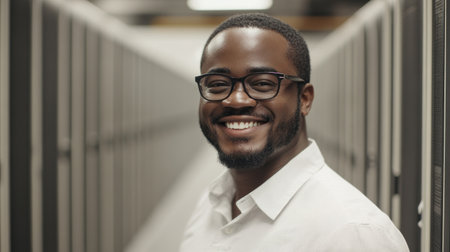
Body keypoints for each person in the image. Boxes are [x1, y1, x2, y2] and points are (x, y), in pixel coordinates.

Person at [180, 13, 409, 251]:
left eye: (262, 83)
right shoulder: (210, 206)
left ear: (305, 99)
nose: (236, 100)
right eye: (217, 84)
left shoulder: (352, 233)